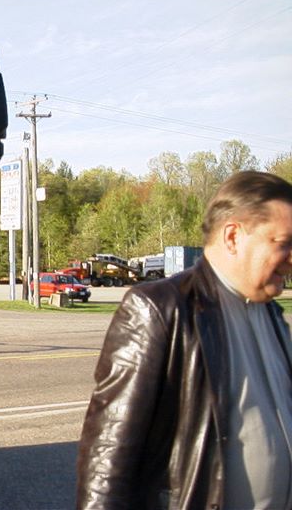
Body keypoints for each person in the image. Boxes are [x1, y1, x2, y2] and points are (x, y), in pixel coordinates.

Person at [76, 170, 292, 510]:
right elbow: (108, 458)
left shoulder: (274, 317)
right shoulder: (161, 309)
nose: (291, 258)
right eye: (283, 243)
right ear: (233, 236)